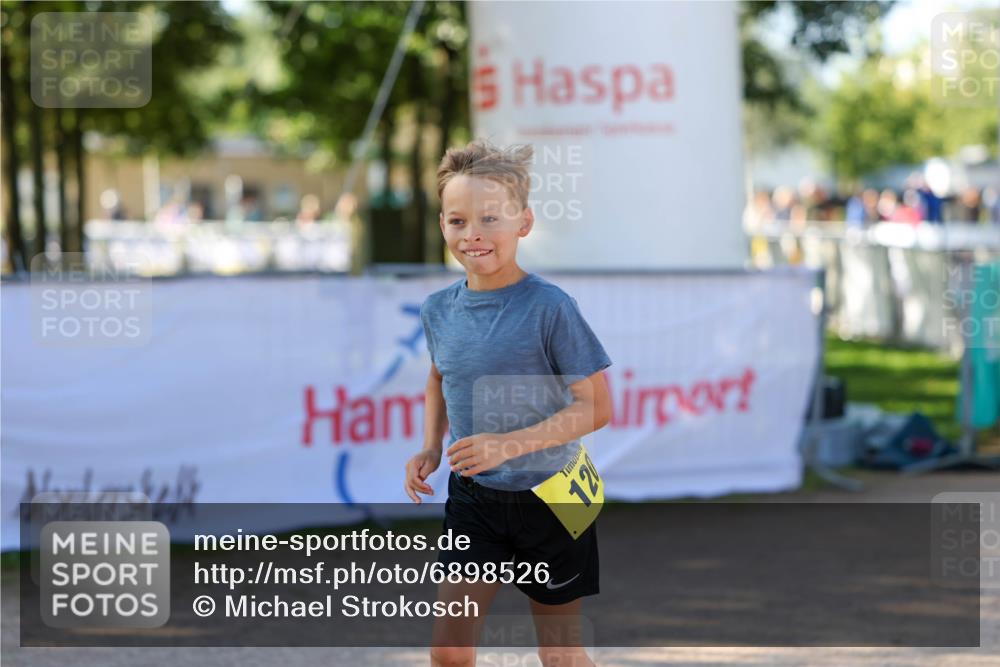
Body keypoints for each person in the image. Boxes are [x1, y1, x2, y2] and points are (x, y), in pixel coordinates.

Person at [405, 139, 613, 667]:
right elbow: (438, 376)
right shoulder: (437, 310)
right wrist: (430, 446)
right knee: (449, 652)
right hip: (474, 500)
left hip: (553, 496)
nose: (473, 233)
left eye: (490, 218)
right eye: (458, 220)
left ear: (524, 222)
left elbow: (597, 407)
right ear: (442, 224)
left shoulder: (551, 308)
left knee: (559, 656)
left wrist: (507, 445)